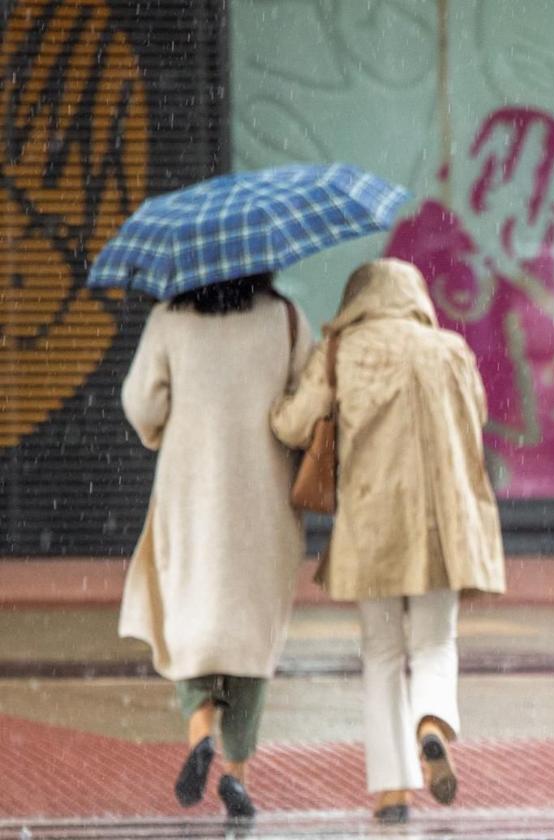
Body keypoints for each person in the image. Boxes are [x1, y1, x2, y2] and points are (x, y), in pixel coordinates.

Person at [271, 258, 505, 824]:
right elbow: (476, 418)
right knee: (435, 642)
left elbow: (294, 427)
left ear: (357, 299)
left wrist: (281, 402)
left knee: (380, 654)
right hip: (441, 521)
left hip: (371, 521)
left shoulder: (340, 351)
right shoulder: (448, 349)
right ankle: (431, 722)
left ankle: (392, 790)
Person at [119, 273, 311, 820]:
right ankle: (238, 773)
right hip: (264, 491)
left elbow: (142, 405)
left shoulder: (169, 319)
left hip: (190, 489)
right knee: (251, 635)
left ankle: (200, 729)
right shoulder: (287, 318)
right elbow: (307, 408)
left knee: (189, 617)